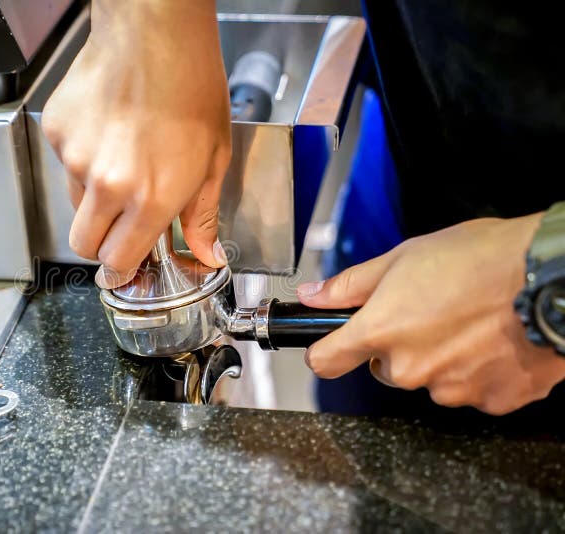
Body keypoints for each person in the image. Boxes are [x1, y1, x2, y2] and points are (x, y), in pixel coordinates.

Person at [41, 0, 565, 419]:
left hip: (527, 296)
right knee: (360, 419)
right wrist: (148, 21)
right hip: (419, 148)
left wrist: (545, 276)